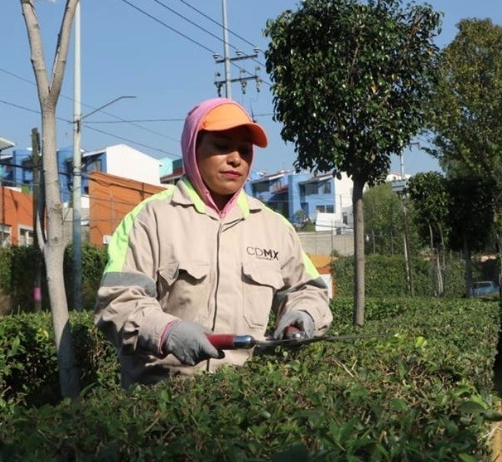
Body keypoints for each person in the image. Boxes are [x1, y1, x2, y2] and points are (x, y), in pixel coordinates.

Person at [94, 97, 333, 386]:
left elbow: (308, 289)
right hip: (161, 401)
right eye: (221, 146)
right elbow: (117, 302)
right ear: (193, 148)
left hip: (247, 395)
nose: (235, 159)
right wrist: (166, 331)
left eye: (245, 150)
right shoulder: (149, 219)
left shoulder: (275, 227)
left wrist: (303, 315)